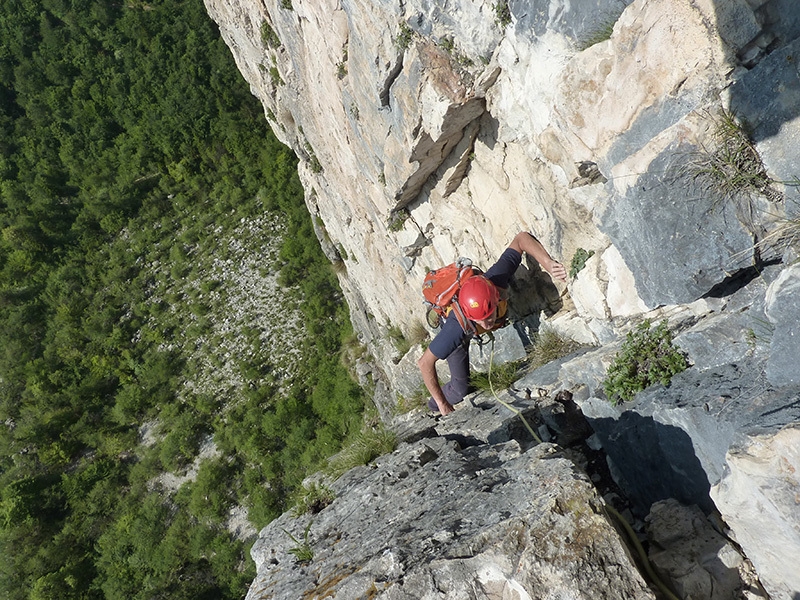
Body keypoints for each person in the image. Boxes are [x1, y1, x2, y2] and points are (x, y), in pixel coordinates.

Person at [418, 231, 568, 416]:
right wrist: (442, 404)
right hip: (462, 329)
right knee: (460, 390)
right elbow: (425, 363)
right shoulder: (455, 328)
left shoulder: (495, 280)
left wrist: (548, 263)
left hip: (470, 317)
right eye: (480, 319)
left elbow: (521, 239)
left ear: (496, 298)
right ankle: (431, 405)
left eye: (488, 316)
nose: (486, 323)